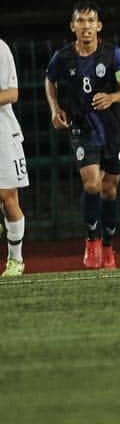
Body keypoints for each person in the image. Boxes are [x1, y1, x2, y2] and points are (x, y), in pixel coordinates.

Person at [45, 2, 120, 269]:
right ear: (73, 26)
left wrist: (112, 97)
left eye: (91, 21)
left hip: (109, 128)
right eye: (80, 21)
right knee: (92, 184)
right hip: (81, 126)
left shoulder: (113, 55)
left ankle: (108, 246)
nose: (86, 26)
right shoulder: (62, 57)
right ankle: (92, 240)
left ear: (99, 26)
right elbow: (49, 80)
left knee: (110, 189)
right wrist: (55, 109)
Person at [0, 38, 28, 276]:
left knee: (8, 197)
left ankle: (15, 260)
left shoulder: (0, 49)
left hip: (2, 133)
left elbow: (12, 93)